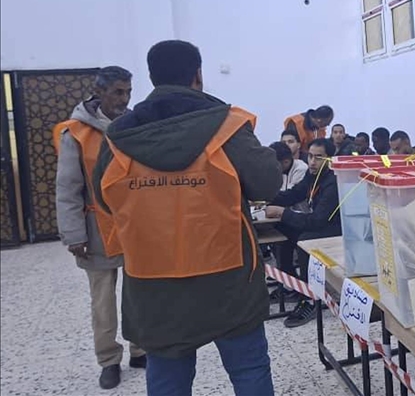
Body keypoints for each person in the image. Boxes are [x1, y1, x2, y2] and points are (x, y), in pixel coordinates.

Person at [92, 40, 282, 396]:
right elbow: (268, 183)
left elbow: (104, 199)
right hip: (229, 278)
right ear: (197, 75)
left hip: (154, 282)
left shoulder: (119, 137)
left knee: (168, 379)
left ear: (152, 77)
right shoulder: (226, 125)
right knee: (249, 370)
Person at [53, 66, 145, 390]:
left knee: (138, 293)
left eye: (128, 92)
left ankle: (140, 349)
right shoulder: (76, 132)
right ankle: (108, 359)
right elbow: (67, 188)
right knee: (103, 301)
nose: (125, 99)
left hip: (134, 225)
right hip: (95, 227)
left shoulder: (134, 125)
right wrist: (73, 234)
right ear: (99, 91)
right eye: (118, 92)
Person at [265, 138, 341, 328]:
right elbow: (294, 194)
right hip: (319, 224)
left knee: (304, 241)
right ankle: (291, 284)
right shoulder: (312, 174)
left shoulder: (333, 181)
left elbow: (317, 221)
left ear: (330, 159)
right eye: (310, 157)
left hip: (336, 230)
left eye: (318, 157)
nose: (312, 162)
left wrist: (283, 213)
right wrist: (264, 197)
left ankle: (310, 299)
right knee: (281, 229)